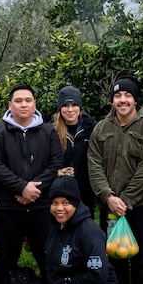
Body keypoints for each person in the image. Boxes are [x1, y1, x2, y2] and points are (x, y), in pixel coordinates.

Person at [0, 84, 64, 284]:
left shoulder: (48, 132)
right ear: (10, 105)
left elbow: (56, 164)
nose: (23, 104)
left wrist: (33, 190)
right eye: (18, 100)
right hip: (8, 207)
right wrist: (20, 188)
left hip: (40, 207)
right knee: (7, 256)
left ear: (34, 104)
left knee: (47, 255)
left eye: (28, 100)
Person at [87, 76, 143, 284]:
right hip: (109, 205)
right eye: (118, 96)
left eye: (127, 96)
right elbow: (94, 164)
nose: (122, 100)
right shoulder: (101, 128)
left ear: (135, 100)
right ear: (112, 100)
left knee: (140, 257)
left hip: (140, 204)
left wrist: (126, 200)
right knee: (115, 256)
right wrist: (108, 197)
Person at [52, 86, 98, 224]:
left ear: (80, 107)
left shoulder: (93, 128)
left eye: (74, 105)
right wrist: (57, 172)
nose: (70, 110)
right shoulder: (51, 132)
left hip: (85, 195)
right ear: (60, 108)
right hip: (59, 196)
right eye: (65, 105)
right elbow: (44, 162)